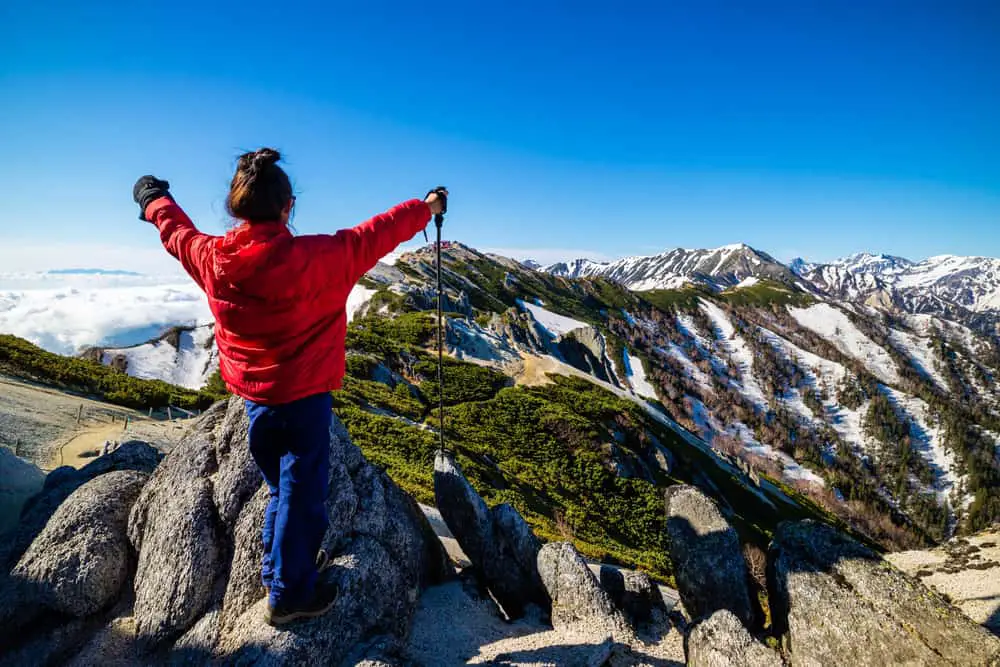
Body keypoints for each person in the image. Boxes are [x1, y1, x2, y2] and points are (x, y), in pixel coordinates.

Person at [133, 148, 446, 625]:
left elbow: (178, 234)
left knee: (281, 488)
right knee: (302, 496)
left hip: (254, 401)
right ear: (288, 206)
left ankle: (280, 565)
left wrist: (153, 198)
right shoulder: (322, 257)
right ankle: (289, 594)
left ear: (236, 206)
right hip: (305, 401)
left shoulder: (213, 259)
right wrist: (427, 207)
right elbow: (379, 232)